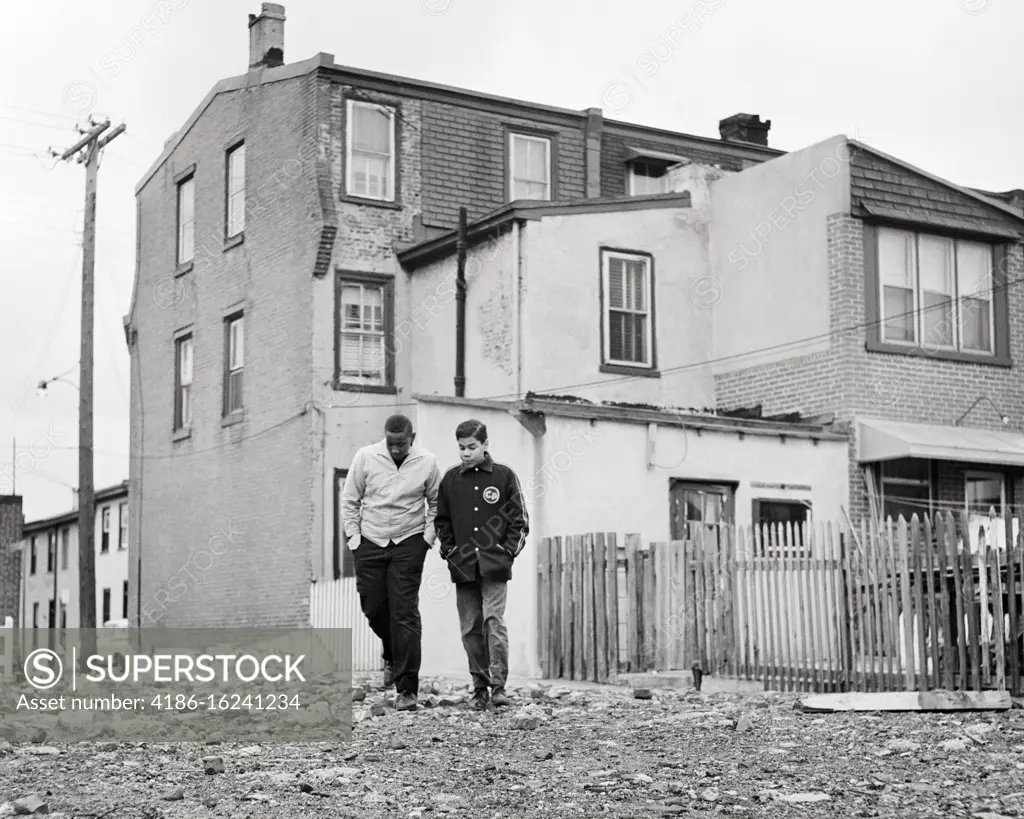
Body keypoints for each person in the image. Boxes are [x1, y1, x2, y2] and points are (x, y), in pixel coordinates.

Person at [341, 414, 441, 712]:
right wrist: (354, 538)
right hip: (370, 541)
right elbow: (350, 499)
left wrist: (428, 537)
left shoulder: (427, 461)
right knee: (373, 609)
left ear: (412, 438)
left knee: (405, 612)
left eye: (401, 444)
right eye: (391, 444)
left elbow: (436, 503)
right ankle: (392, 652)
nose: (396, 449)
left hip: (409, 541)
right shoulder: (366, 457)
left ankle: (407, 688)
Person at [435, 419, 529, 710]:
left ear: (485, 445)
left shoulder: (504, 476)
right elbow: (442, 521)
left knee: (494, 621)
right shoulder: (450, 480)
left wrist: (506, 551)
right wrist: (450, 550)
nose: (465, 453)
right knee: (469, 627)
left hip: (495, 566)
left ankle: (499, 687)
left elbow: (520, 521)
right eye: (461, 448)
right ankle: (479, 687)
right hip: (463, 567)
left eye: (472, 447)